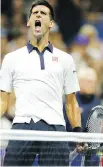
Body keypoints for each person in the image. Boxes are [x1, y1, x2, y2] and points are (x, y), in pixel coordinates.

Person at [0, 0, 81, 166]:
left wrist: (77, 131)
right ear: (28, 22)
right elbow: (2, 99)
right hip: (23, 126)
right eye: (34, 13)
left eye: (43, 13)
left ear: (51, 24)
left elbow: (71, 102)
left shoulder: (66, 59)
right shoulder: (11, 58)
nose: (38, 15)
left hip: (55, 128)